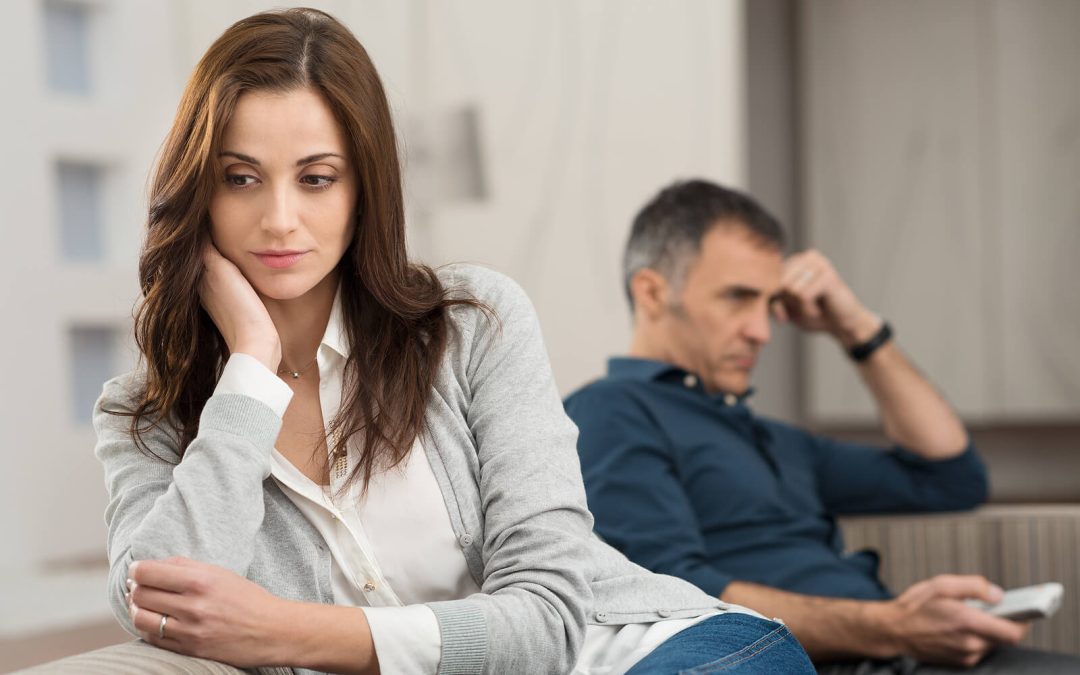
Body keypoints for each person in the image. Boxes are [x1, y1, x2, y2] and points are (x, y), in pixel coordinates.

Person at [94, 10, 815, 675]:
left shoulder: (475, 322)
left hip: (655, 652)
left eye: (317, 178)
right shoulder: (146, 412)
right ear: (200, 191)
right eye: (240, 177)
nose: (280, 218)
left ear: (363, 190)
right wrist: (249, 366)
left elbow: (550, 616)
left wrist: (285, 629)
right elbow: (157, 606)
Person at [564, 179, 1080, 673]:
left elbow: (948, 476)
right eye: (738, 297)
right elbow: (672, 597)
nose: (762, 330)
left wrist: (855, 326)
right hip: (794, 661)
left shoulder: (774, 438)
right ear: (653, 293)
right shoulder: (611, 411)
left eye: (771, 303)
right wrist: (894, 626)